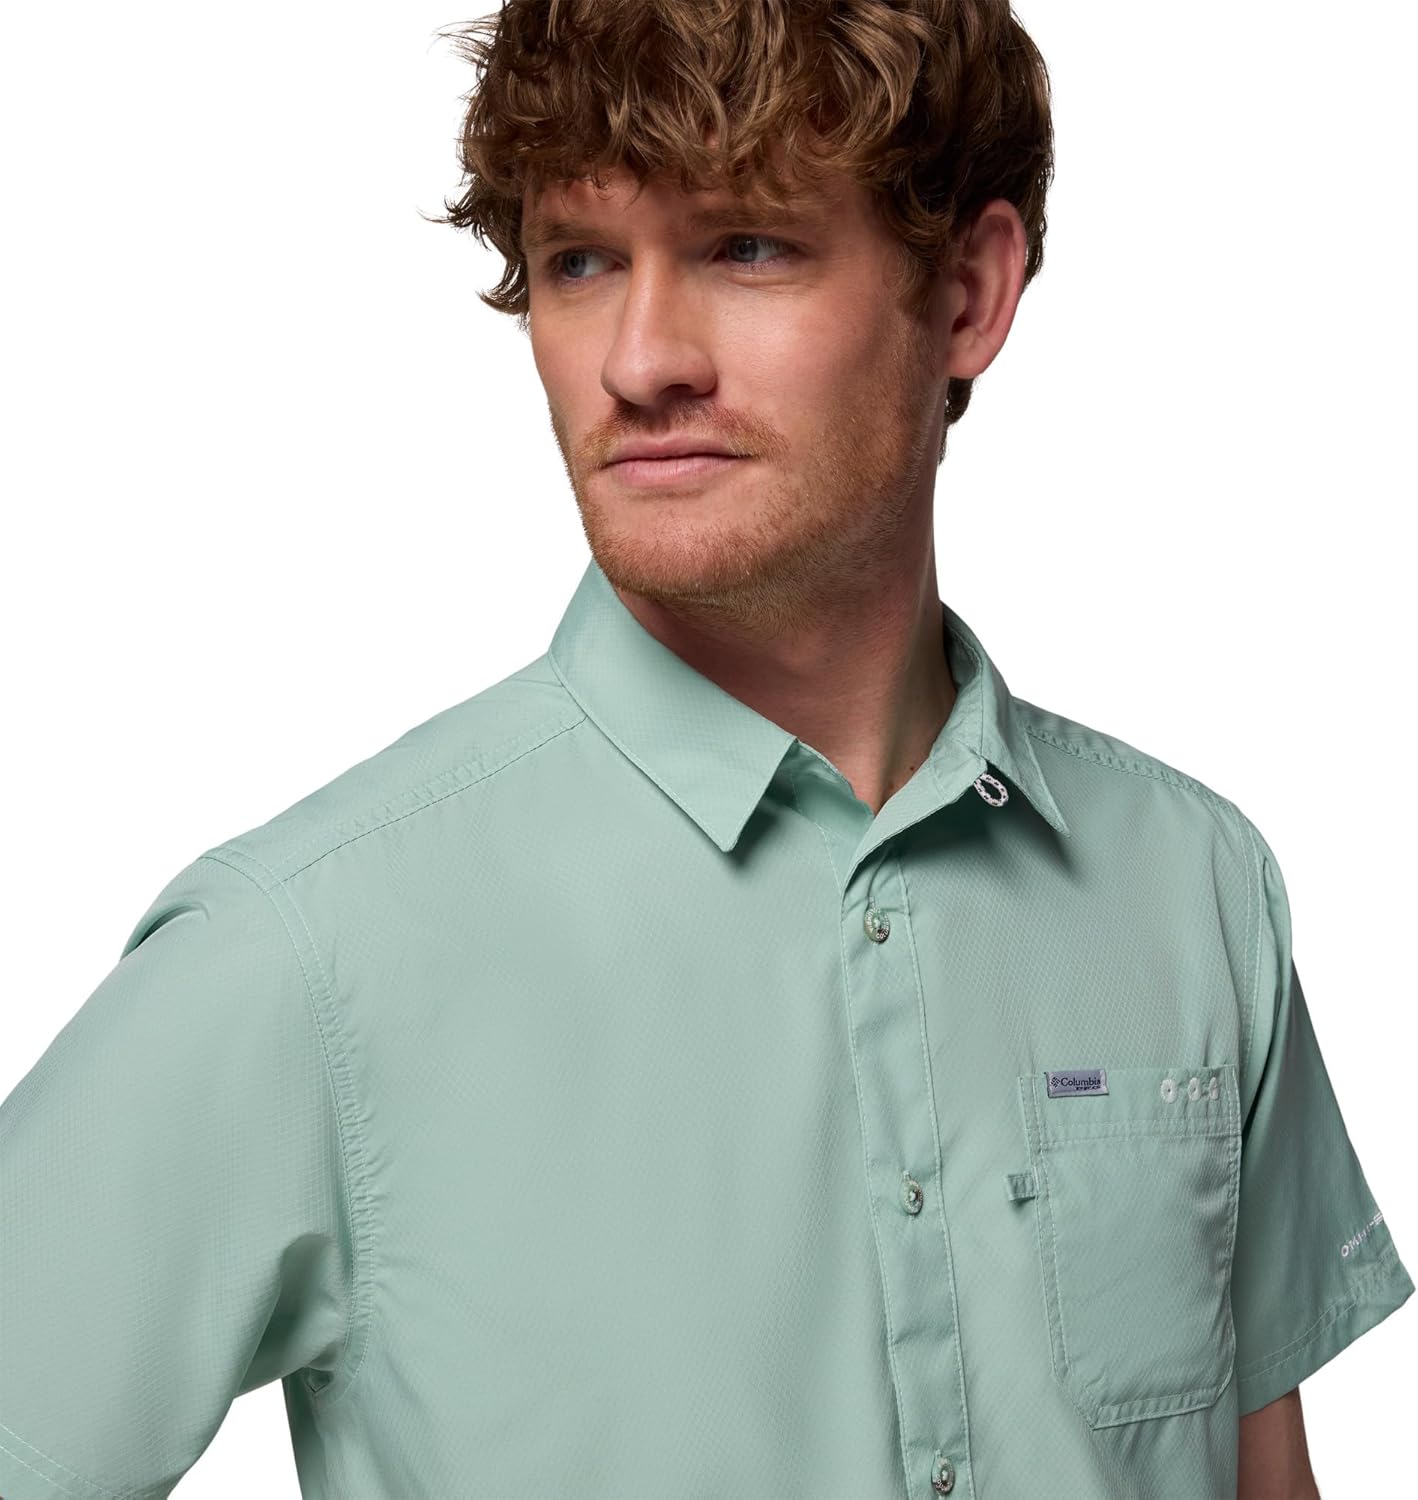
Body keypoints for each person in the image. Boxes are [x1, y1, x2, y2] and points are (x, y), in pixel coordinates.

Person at [1, 2, 1410, 1496]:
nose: (639, 361)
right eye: (579, 262)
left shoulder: (1188, 887)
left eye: (745, 246)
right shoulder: (308, 951)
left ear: (967, 295)